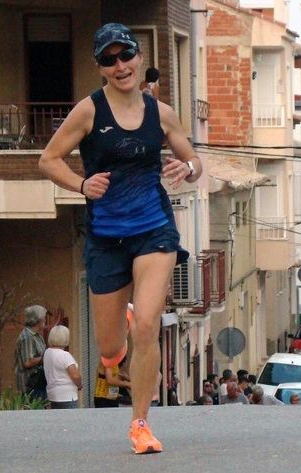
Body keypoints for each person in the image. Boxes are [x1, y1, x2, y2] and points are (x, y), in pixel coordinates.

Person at [38, 23, 202, 454]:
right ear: (101, 68)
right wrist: (80, 184)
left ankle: (140, 424)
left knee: (148, 325)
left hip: (154, 229)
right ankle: (120, 334)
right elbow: (48, 159)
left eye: (125, 55)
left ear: (138, 58)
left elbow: (194, 159)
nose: (120, 65)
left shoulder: (161, 113)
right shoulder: (89, 112)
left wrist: (189, 169)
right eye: (109, 60)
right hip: (106, 237)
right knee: (111, 347)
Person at [43, 325, 82, 409]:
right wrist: (79, 385)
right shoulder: (65, 355)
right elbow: (75, 376)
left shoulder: (47, 353)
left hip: (52, 395)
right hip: (67, 396)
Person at [14, 305, 48, 400]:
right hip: (30, 385)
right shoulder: (27, 337)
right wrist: (45, 358)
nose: (45, 320)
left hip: (38, 384)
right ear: (38, 320)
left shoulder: (37, 336)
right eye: (44, 318)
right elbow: (27, 362)